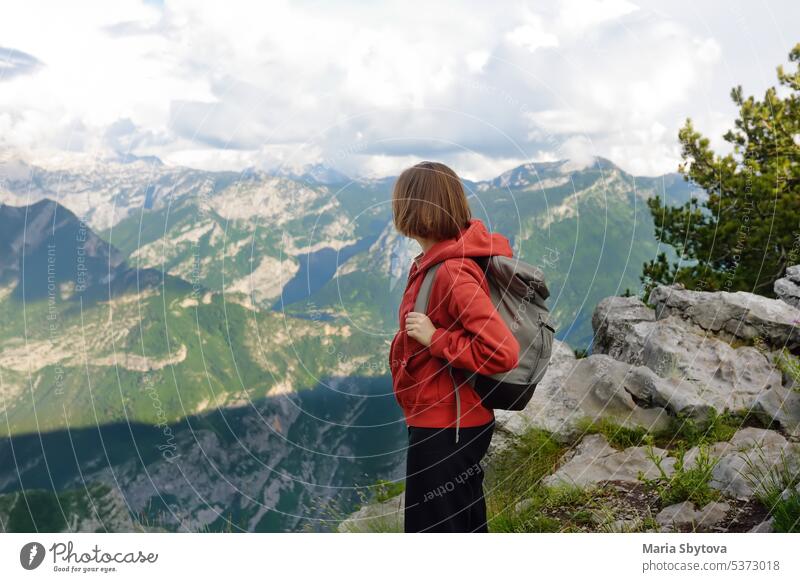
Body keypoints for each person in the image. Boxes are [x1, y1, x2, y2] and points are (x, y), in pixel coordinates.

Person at [389, 161, 520, 533]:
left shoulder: (452, 271)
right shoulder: (438, 262)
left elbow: (502, 352)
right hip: (448, 423)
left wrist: (435, 339)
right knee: (462, 524)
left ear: (415, 209)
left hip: (448, 428)